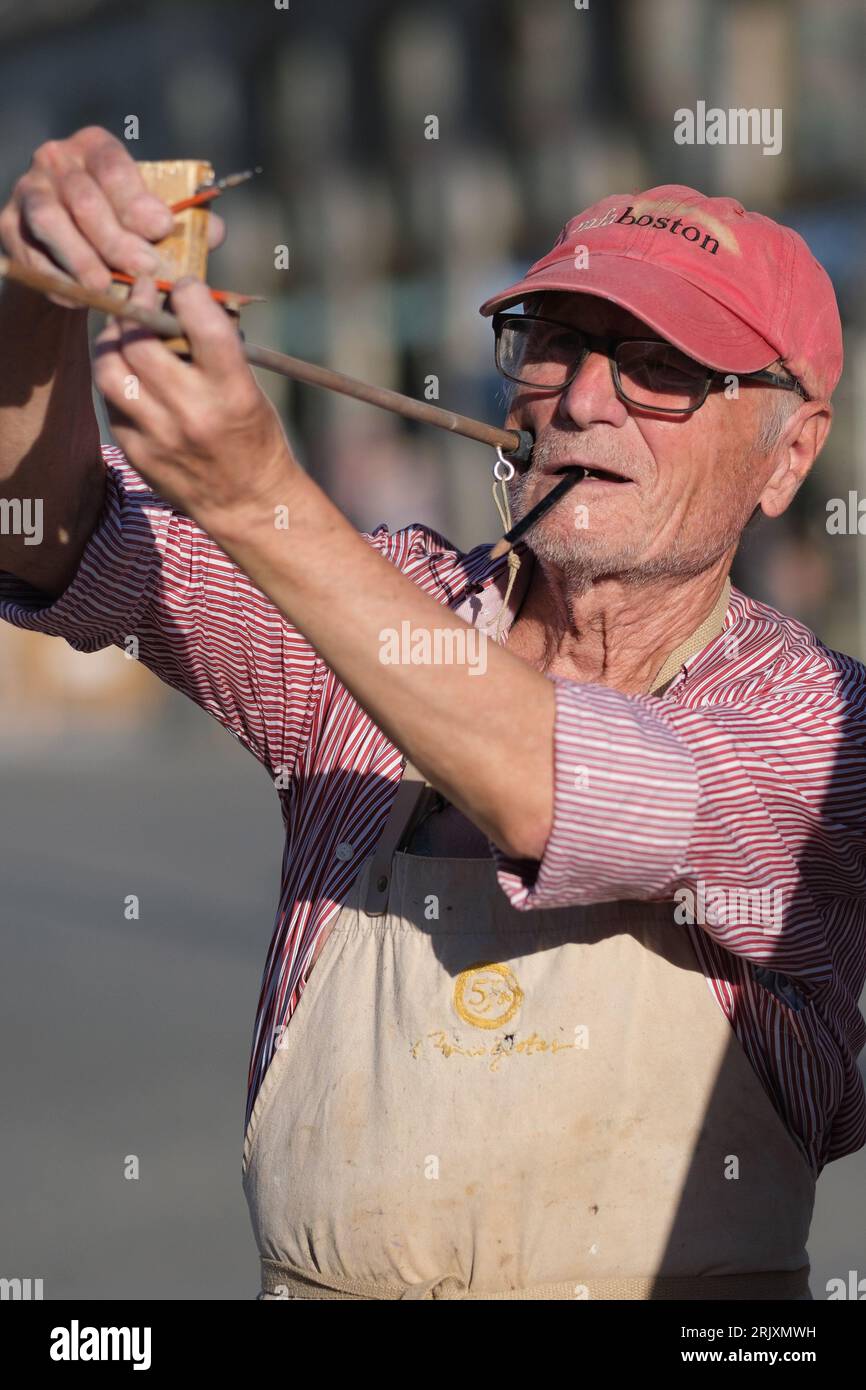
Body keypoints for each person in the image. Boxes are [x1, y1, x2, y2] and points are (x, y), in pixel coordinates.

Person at [1, 127, 863, 1302]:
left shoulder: (818, 722)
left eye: (660, 364)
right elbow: (48, 537)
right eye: (555, 343)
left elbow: (552, 785)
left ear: (787, 453)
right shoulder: (385, 597)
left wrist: (261, 497)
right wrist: (39, 292)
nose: (584, 397)